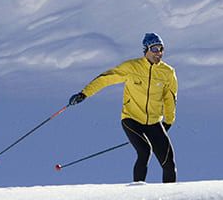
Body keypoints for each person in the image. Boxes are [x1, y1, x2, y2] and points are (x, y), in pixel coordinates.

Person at [68, 33, 178, 183]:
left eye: (161, 49)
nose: (158, 53)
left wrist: (169, 121)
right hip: (131, 119)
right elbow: (106, 79)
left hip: (154, 122)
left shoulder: (168, 72)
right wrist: (84, 94)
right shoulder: (131, 67)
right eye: (154, 48)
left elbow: (170, 97)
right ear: (146, 50)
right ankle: (136, 193)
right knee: (145, 151)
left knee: (168, 163)